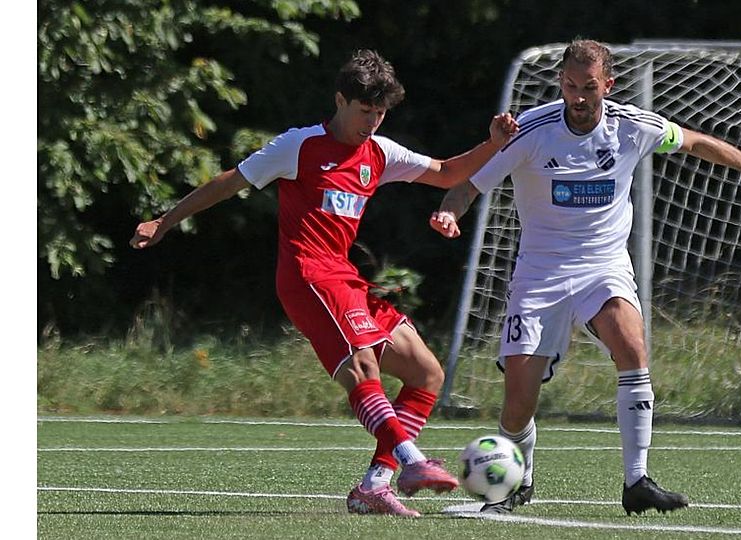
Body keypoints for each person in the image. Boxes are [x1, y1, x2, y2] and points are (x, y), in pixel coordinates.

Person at [131, 49, 518, 518]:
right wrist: (165, 221)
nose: (372, 122)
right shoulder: (299, 146)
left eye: (380, 113)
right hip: (306, 276)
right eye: (364, 112)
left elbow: (447, 174)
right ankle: (411, 461)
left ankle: (375, 486)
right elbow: (230, 182)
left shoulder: (379, 152)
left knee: (426, 372)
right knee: (364, 369)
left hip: (345, 279)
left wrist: (493, 143)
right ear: (340, 101)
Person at [430, 39, 741, 516]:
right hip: (540, 273)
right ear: (561, 83)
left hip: (603, 266)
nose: (578, 97)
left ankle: (636, 480)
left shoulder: (631, 127)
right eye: (570, 86)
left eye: (589, 88)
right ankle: (520, 481)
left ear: (609, 86)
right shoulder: (531, 131)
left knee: (632, 346)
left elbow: (697, 141)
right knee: (519, 399)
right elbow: (470, 184)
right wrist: (449, 212)